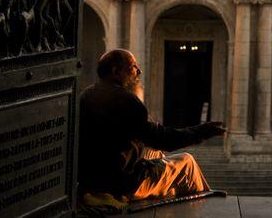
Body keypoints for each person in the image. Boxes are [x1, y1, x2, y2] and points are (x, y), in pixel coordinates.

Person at [78, 49, 225, 209]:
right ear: (116, 71)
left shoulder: (85, 95)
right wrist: (201, 131)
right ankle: (204, 208)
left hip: (92, 179)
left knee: (156, 153)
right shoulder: (127, 100)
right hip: (120, 183)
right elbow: (164, 139)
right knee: (187, 163)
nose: (138, 71)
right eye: (133, 67)